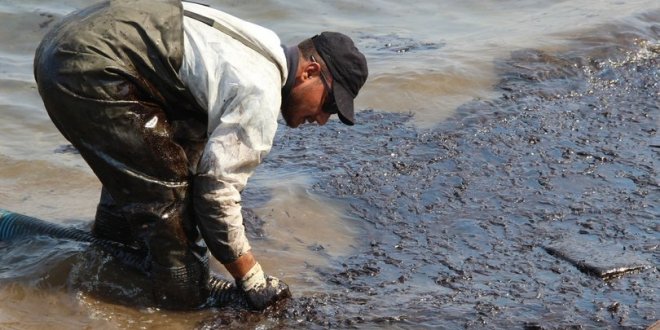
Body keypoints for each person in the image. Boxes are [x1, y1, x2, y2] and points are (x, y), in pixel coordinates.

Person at [33, 0, 368, 310]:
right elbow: (215, 193)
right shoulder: (260, 92)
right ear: (309, 72)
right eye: (329, 105)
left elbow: (189, 144)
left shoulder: (263, 43)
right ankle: (180, 310)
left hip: (69, 40)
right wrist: (251, 278)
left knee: (149, 173)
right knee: (172, 215)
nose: (323, 119)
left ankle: (110, 256)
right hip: (92, 65)